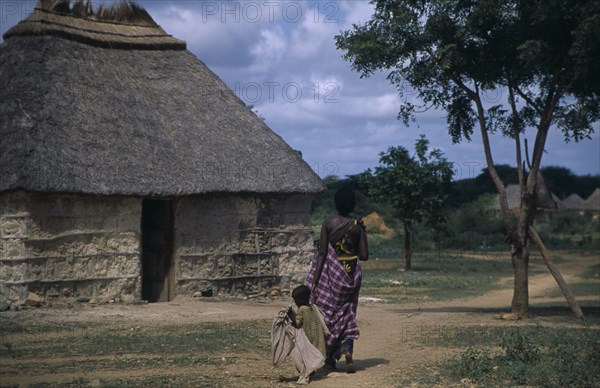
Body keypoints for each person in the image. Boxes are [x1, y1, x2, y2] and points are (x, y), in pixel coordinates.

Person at [306, 187, 368, 373]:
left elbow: (323, 253)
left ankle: (330, 358)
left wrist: (315, 281)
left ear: (336, 203)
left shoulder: (328, 223)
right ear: (352, 204)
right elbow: (364, 256)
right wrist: (361, 234)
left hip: (332, 275)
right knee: (348, 312)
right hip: (351, 276)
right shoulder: (358, 226)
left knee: (328, 314)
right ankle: (347, 347)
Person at [288, 285, 328, 358]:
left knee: (307, 356)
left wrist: (290, 313)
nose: (295, 303)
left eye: (296, 300)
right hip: (317, 337)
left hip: (308, 338)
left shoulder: (302, 309)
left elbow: (298, 323)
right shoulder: (313, 307)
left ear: (302, 300)